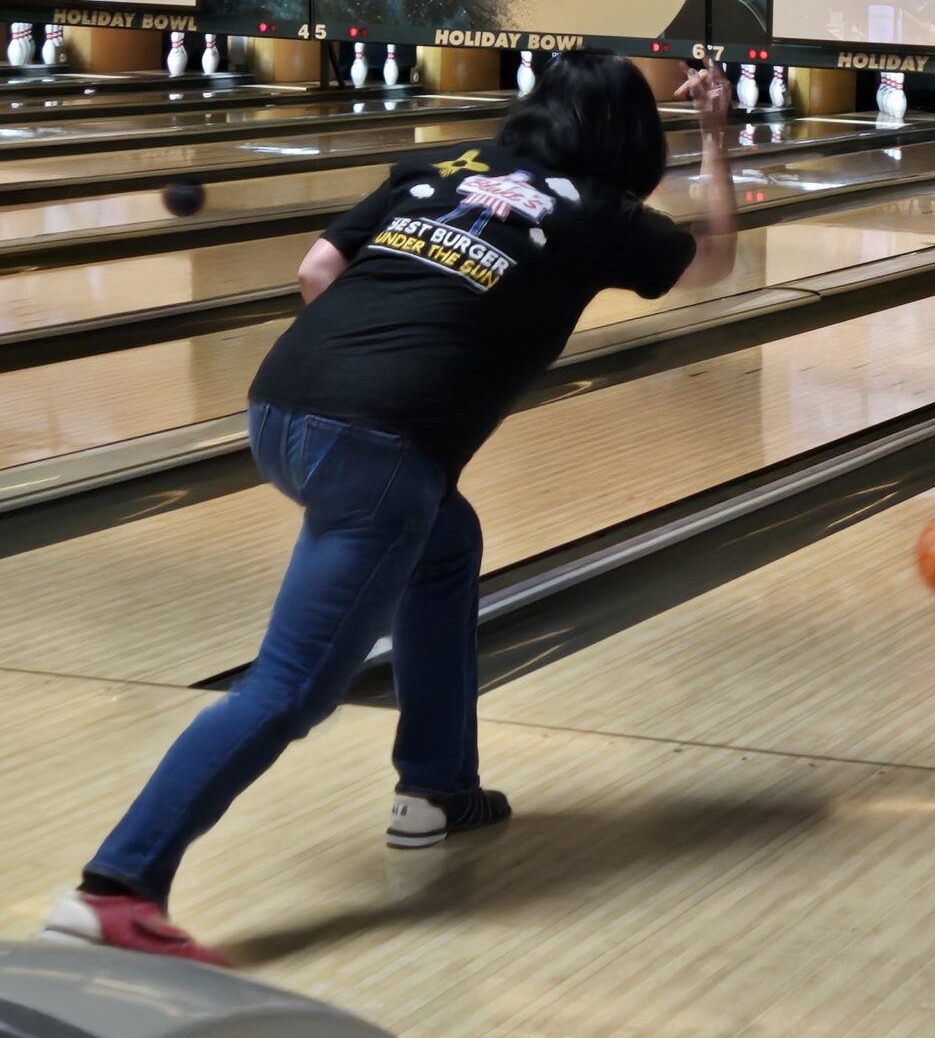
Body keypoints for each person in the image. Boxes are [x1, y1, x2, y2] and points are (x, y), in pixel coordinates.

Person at [43, 52, 737, 966]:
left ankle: (439, 788)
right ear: (628, 145)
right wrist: (717, 139)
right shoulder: (602, 217)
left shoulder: (440, 166)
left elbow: (314, 268)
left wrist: (374, 359)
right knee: (289, 691)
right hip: (376, 453)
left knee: (446, 546)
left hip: (278, 408)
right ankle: (118, 888)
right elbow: (716, 258)